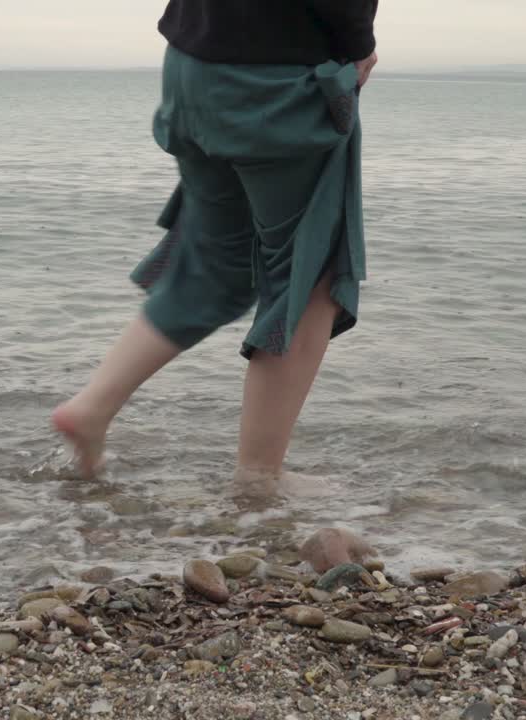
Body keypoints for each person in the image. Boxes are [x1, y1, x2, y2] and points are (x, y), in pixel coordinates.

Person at [52, 0, 379, 499]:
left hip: (192, 68)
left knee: (214, 263)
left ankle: (92, 408)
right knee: (309, 277)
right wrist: (360, 46)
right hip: (280, 82)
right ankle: (258, 478)